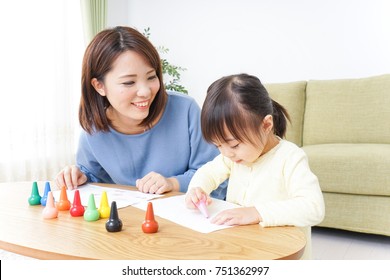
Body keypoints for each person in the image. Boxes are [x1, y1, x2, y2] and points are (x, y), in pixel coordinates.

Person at [55, 26, 226, 198]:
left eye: (151, 77)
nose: (145, 91)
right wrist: (78, 176)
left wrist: (172, 183)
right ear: (99, 86)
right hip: (131, 222)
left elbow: (220, 177)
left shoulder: (186, 111)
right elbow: (95, 180)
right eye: (129, 82)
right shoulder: (93, 131)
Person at [185, 73, 325, 259]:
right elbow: (208, 172)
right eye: (218, 145)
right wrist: (197, 189)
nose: (226, 153)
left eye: (234, 144)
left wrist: (257, 213)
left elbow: (313, 208)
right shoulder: (233, 156)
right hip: (244, 248)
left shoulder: (290, 157)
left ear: (266, 124)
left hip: (281, 253)